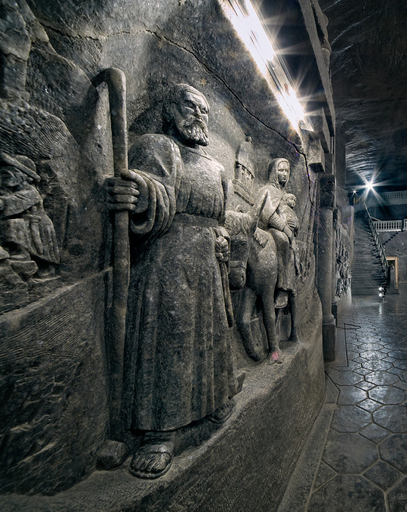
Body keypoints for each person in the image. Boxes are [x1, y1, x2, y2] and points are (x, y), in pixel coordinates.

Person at [107, 84, 237, 479]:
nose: (198, 115)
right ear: (170, 110)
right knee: (171, 338)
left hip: (207, 263)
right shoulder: (159, 146)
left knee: (211, 335)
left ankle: (215, 397)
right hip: (167, 262)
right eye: (189, 106)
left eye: (204, 109)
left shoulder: (216, 169)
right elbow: (154, 188)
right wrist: (138, 194)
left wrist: (222, 237)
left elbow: (220, 218)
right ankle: (159, 432)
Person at [257, 158, 297, 308]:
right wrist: (285, 229)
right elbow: (268, 214)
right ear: (274, 172)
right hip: (270, 228)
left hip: (283, 229)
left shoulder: (284, 194)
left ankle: (287, 285)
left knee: (291, 246)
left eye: (287, 171)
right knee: (283, 240)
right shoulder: (268, 190)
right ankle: (282, 288)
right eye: (281, 170)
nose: (284, 174)